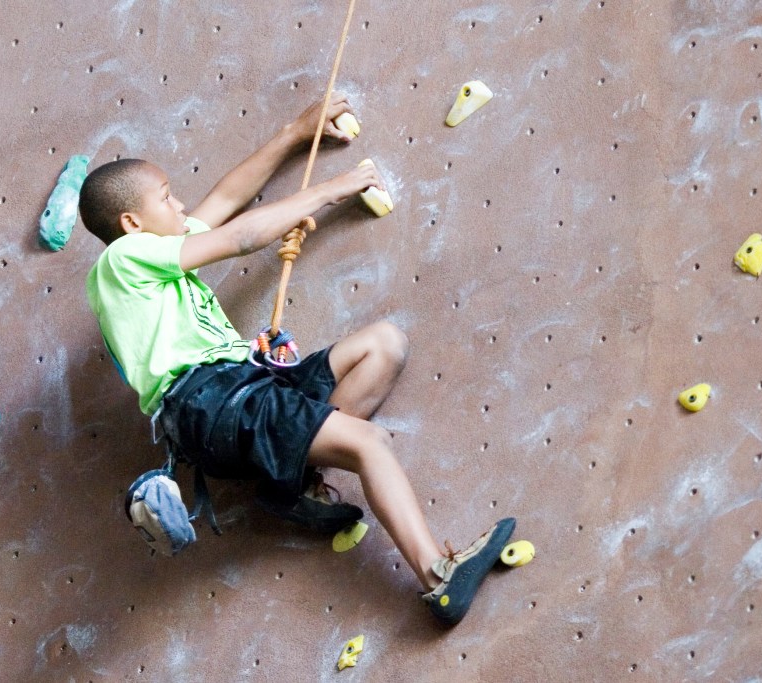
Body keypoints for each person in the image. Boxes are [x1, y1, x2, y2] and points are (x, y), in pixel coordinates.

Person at [78, 94, 514, 625]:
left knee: (383, 345)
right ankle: (437, 578)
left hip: (242, 388)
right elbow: (238, 236)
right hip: (210, 401)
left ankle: (289, 479)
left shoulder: (154, 254)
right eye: (168, 199)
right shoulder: (121, 260)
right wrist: (334, 188)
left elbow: (225, 201)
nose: (182, 207)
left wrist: (296, 132)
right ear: (131, 223)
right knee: (369, 443)